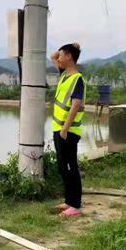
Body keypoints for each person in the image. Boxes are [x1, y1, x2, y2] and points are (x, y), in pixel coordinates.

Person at [50, 43, 86, 218]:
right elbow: (52, 56)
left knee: (71, 167)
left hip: (68, 131)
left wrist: (65, 129)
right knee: (63, 166)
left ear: (69, 57)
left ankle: (75, 205)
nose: (59, 58)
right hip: (59, 128)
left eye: (62, 55)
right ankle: (68, 201)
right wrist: (71, 45)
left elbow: (75, 105)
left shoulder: (77, 78)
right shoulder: (64, 75)